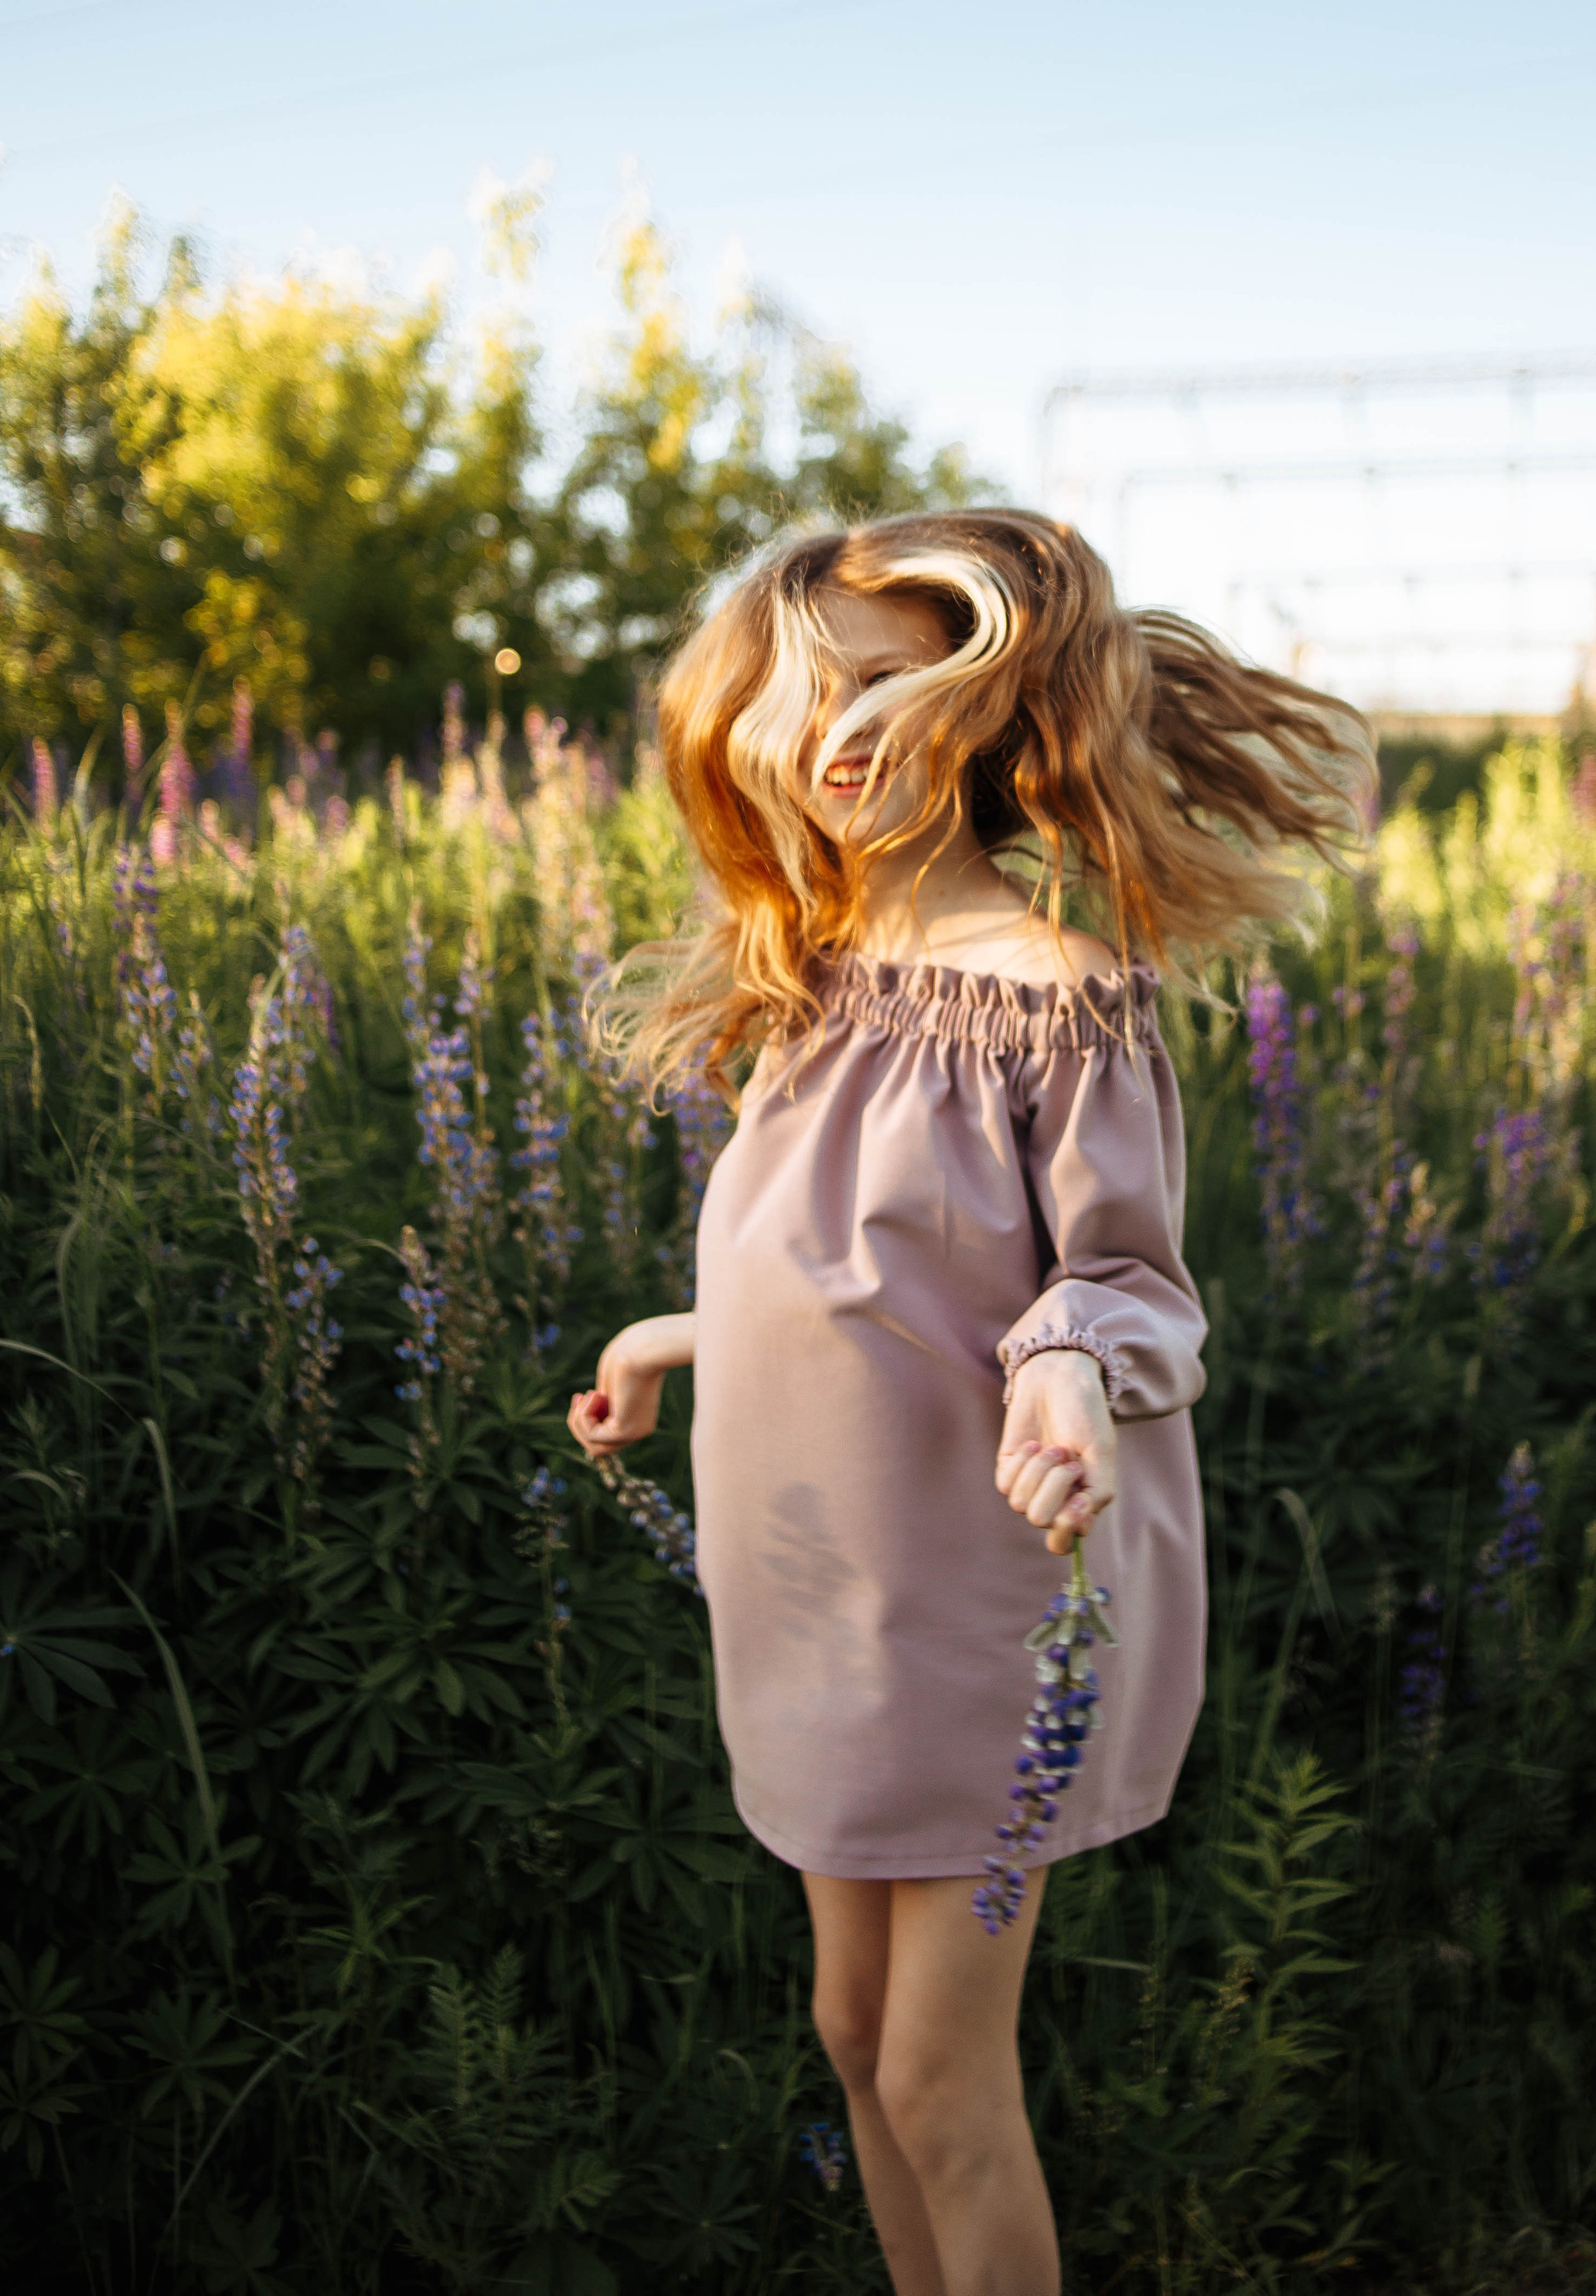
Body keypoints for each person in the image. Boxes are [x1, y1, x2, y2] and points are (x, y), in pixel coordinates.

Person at [569, 510, 1369, 2296]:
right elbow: (848, 1275)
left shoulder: (1062, 1000)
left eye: (878, 681)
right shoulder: (814, 984)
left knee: (942, 2072)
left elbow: (1132, 1290)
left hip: (986, 1595)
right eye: (794, 694)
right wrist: (669, 1335)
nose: (831, 728)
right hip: (814, 1590)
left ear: (982, 703)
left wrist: (1075, 1367)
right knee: (850, 2030)